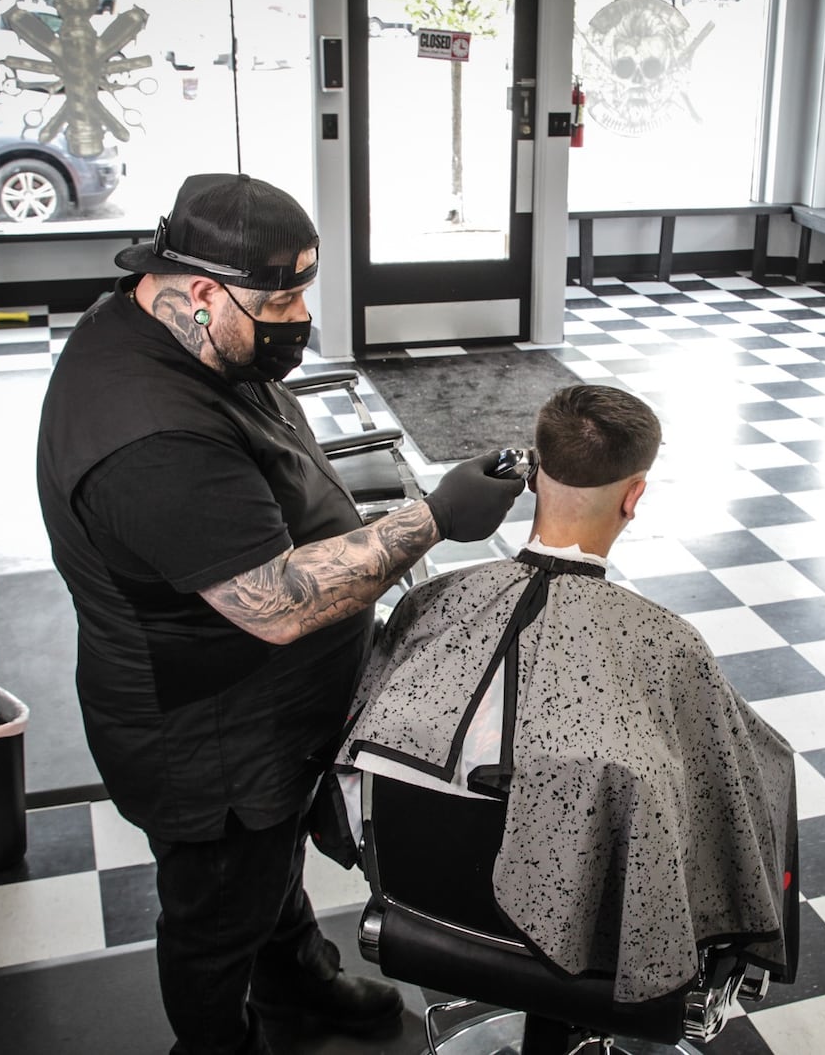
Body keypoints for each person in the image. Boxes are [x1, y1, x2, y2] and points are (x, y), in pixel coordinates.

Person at [35, 172, 524, 1055]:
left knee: (268, 865)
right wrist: (435, 518)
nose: (300, 313)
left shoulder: (190, 337)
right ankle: (219, 1044)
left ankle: (298, 984)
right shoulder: (147, 434)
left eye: (304, 284)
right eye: (284, 296)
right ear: (199, 292)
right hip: (209, 734)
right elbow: (276, 604)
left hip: (266, 712)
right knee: (218, 907)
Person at [338, 385, 797, 1005]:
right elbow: (725, 798)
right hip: (588, 939)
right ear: (634, 497)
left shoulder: (430, 602)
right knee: (766, 760)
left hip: (417, 901)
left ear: (531, 477)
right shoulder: (668, 645)